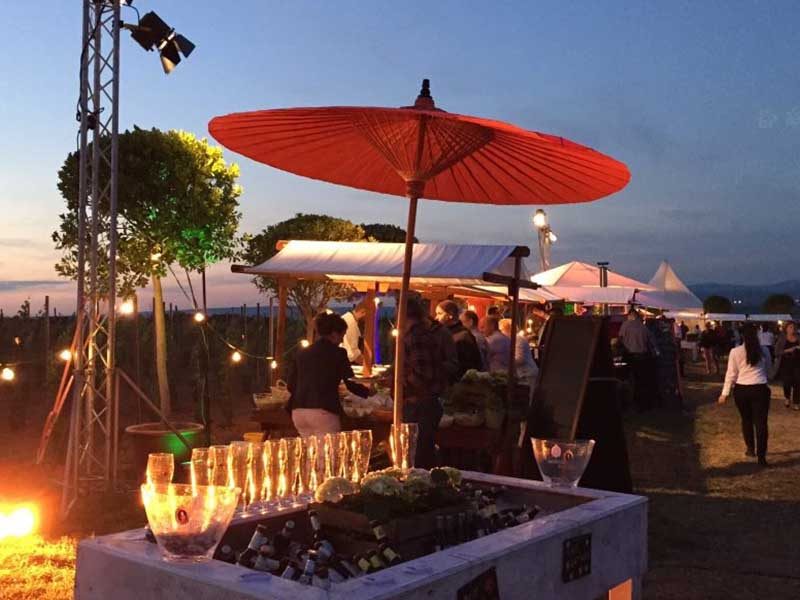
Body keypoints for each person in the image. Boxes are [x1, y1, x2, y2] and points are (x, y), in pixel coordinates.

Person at [287, 312, 370, 437]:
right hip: (323, 411)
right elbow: (351, 384)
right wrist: (370, 392)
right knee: (329, 449)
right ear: (334, 334)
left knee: (309, 448)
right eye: (342, 335)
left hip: (298, 412)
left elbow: (291, 385)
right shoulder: (339, 353)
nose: (342, 340)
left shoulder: (302, 353)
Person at [718, 323, 772, 466]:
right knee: (761, 423)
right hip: (760, 388)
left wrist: (725, 393)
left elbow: (731, 373)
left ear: (742, 335)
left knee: (746, 420)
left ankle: (750, 449)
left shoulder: (735, 352)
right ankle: (761, 457)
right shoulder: (764, 350)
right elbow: (769, 369)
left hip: (742, 390)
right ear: (757, 334)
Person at [402, 298, 444, 468]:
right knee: (420, 454)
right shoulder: (423, 334)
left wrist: (401, 383)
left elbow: (423, 374)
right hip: (424, 403)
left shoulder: (416, 337)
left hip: (420, 404)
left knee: (417, 457)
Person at [618, 310, 659, 411]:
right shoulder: (643, 327)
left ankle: (628, 402)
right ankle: (640, 403)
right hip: (642, 357)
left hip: (628, 355)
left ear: (631, 316)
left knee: (626, 379)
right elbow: (650, 341)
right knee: (640, 381)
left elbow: (620, 339)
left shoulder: (625, 325)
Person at [435, 300, 483, 378]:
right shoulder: (445, 332)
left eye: (439, 313)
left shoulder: (462, 335)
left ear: (450, 315)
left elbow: (467, 364)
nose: (436, 318)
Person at [499, 318, 539, 386]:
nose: (500, 333)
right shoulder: (511, 340)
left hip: (527, 374)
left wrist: (504, 361)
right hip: (522, 374)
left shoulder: (518, 339)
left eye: (501, 330)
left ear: (507, 329)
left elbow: (520, 359)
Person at [771, 321, 800, 409]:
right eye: (790, 327)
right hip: (785, 364)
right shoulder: (782, 338)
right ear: (786, 329)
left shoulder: (798, 337)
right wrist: (789, 350)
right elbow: (776, 352)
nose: (792, 329)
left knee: (797, 382)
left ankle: (796, 402)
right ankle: (787, 397)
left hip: (797, 363)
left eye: (794, 327)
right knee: (787, 382)